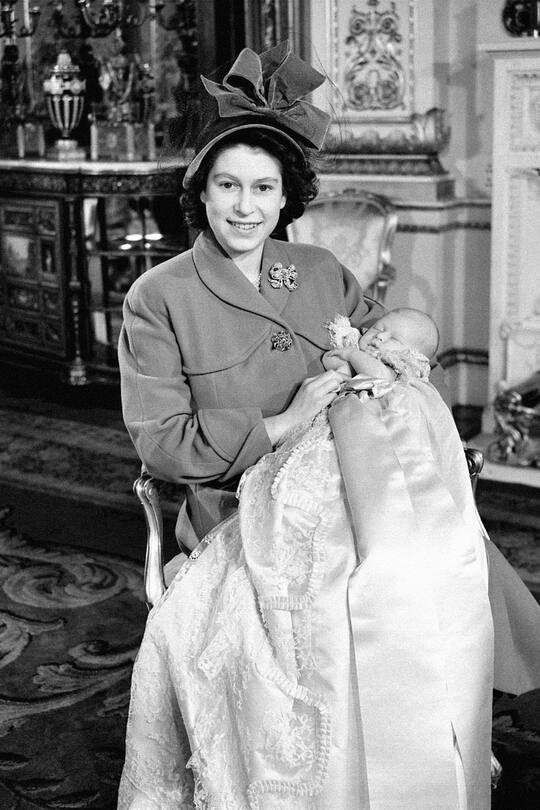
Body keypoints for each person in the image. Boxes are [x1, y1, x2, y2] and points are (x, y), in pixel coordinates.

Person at [118, 304, 540, 809]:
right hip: (309, 452)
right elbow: (169, 440)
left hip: (374, 460)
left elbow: (386, 377)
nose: (376, 336)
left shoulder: (391, 363)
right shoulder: (163, 297)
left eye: (389, 335)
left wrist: (357, 356)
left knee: (395, 564)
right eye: (377, 330)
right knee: (307, 532)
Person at [118, 42, 383, 553]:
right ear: (202, 190)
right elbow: (163, 445)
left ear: (284, 197)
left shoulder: (321, 268)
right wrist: (283, 423)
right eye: (227, 185)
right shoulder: (157, 296)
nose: (245, 207)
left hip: (351, 493)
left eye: (263, 188)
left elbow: (398, 354)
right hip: (239, 518)